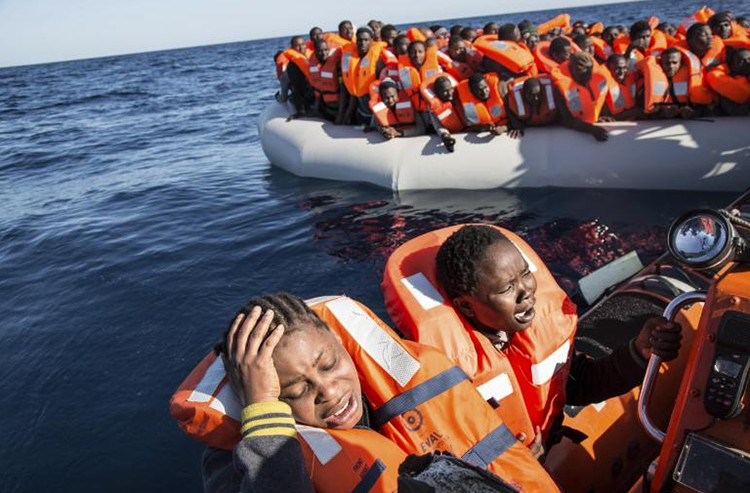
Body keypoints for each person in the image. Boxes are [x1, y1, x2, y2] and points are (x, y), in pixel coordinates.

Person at [189, 293, 560, 492]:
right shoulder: (237, 466)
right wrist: (263, 414)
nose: (329, 391)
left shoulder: (408, 372)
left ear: (338, 342)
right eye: (296, 390)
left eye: (329, 364)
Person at [431, 225, 682, 450]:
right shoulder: (442, 374)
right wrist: (510, 470)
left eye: (525, 274)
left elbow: (578, 385)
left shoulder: (524, 331)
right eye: (507, 288)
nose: (526, 291)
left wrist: (638, 353)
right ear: (466, 307)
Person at [550, 52, 611, 141]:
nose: (588, 77)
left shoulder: (597, 77)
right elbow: (568, 121)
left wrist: (600, 117)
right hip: (570, 136)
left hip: (592, 123)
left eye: (590, 72)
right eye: (582, 73)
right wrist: (591, 129)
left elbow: (600, 100)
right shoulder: (559, 87)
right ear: (571, 70)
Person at [340, 27, 392, 125]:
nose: (363, 43)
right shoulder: (351, 60)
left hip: (376, 113)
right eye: (360, 40)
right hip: (361, 112)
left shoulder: (378, 61)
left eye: (366, 40)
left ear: (372, 41)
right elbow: (353, 92)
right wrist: (345, 116)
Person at [638, 47, 701, 119]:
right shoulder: (645, 80)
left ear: (680, 62)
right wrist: (661, 112)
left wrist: (692, 113)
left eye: (675, 63)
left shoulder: (689, 78)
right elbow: (638, 112)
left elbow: (706, 110)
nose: (671, 66)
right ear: (661, 63)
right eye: (667, 63)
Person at [421, 74, 463, 151]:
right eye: (445, 91)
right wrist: (445, 135)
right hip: (452, 135)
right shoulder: (434, 107)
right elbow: (438, 127)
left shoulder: (461, 98)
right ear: (437, 93)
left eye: (450, 89)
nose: (450, 93)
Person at [307, 39, 344, 122]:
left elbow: (343, 91)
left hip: (338, 108)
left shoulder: (337, 66)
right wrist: (316, 110)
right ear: (315, 52)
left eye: (326, 50)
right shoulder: (315, 67)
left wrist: (341, 114)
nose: (324, 53)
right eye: (320, 51)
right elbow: (318, 90)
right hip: (327, 108)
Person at [705, 47, 750, 115]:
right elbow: (736, 112)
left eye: (749, 59)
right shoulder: (726, 85)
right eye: (741, 61)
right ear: (733, 66)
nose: (747, 62)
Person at [281, 35, 313, 119]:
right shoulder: (292, 66)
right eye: (297, 45)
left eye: (303, 44)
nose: (301, 47)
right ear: (292, 47)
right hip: (305, 96)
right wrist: (301, 110)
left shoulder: (312, 57)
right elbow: (296, 89)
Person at [604, 54, 641, 119]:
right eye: (617, 68)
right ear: (608, 68)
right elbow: (608, 116)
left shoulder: (631, 79)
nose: (622, 72)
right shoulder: (603, 87)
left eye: (624, 68)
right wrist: (633, 112)